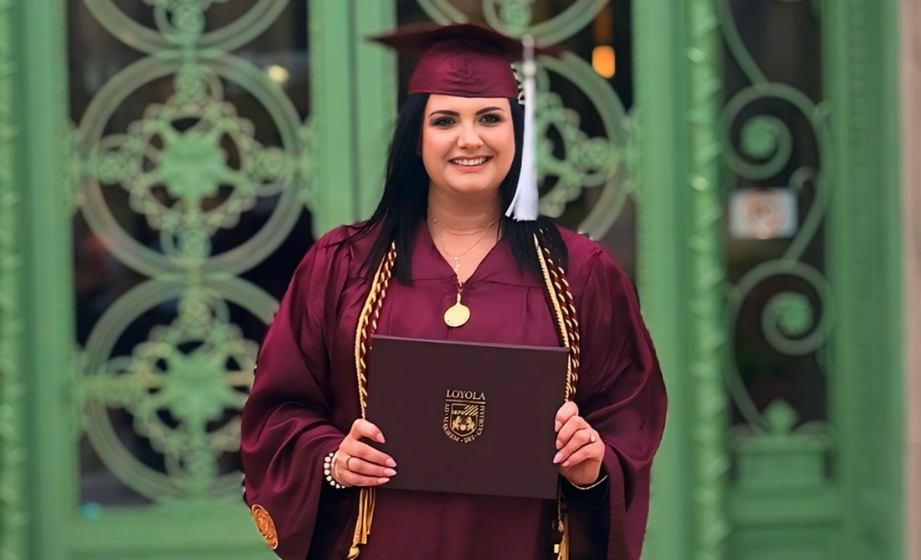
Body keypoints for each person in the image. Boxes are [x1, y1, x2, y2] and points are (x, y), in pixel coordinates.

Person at [240, 23, 667, 560]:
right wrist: (331, 459)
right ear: (416, 138)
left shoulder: (579, 274)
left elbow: (628, 417)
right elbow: (279, 410)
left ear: (517, 132)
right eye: (445, 120)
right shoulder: (342, 265)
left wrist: (592, 465)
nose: (470, 139)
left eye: (490, 117)